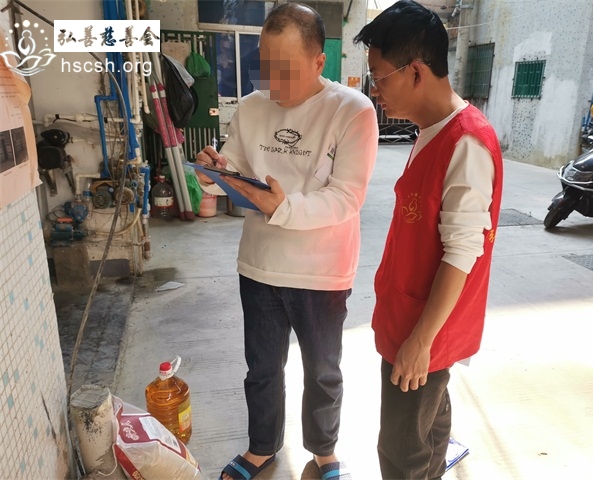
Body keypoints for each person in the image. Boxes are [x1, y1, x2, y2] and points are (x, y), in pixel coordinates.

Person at [195, 3, 378, 479]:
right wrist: (214, 174)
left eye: (287, 70)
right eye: (267, 66)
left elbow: (347, 197)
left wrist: (284, 207)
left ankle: (324, 452)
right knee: (261, 368)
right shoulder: (253, 107)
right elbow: (235, 169)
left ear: (319, 61)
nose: (274, 83)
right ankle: (262, 448)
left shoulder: (352, 110)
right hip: (259, 264)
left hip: (322, 270)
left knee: (322, 370)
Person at [354, 1, 504, 479]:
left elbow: (462, 253)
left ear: (415, 71)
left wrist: (420, 342)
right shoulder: (431, 130)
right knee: (429, 431)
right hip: (410, 318)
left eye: (379, 77)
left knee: (402, 453)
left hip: (422, 331)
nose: (375, 91)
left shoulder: (466, 142)